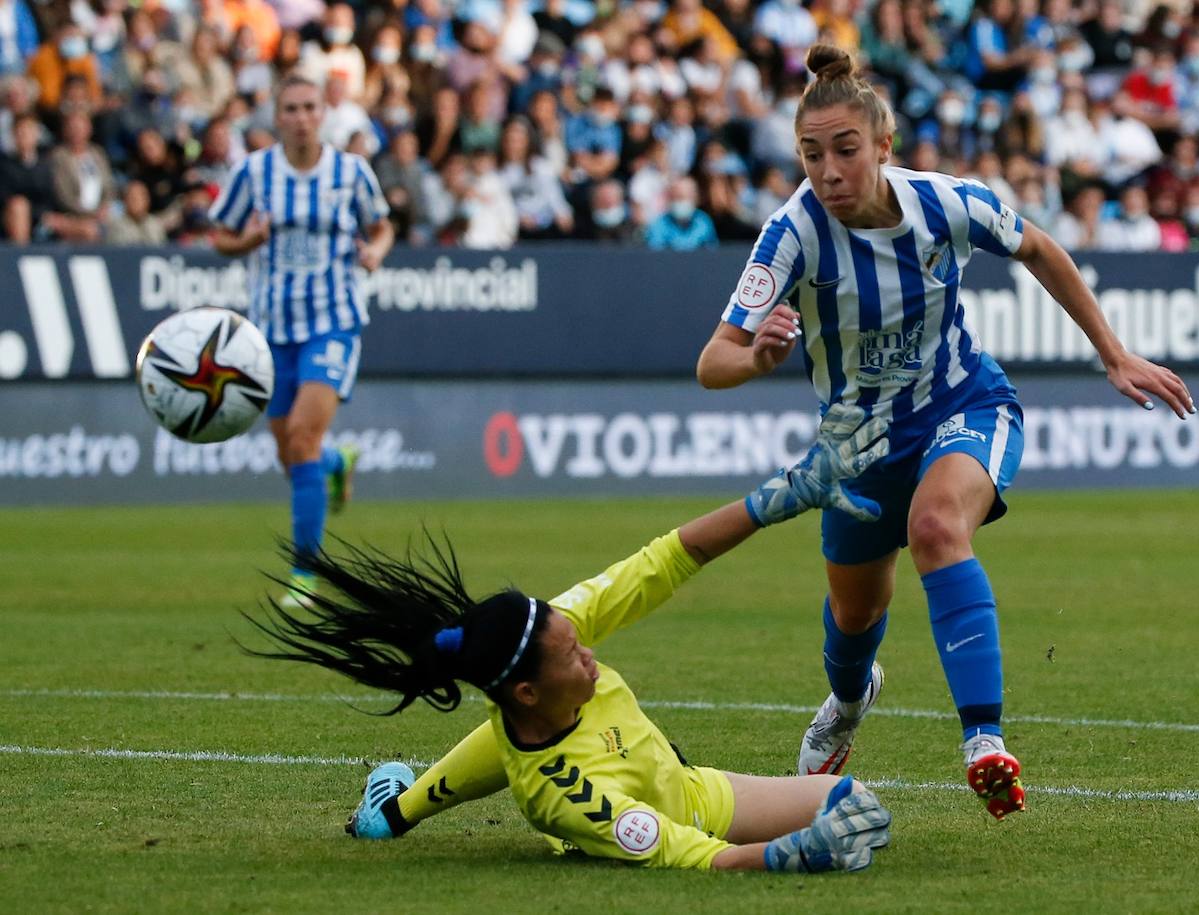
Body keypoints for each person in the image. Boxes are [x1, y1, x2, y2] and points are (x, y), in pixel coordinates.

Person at [695, 45, 1195, 821]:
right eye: (811, 153)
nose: (828, 170)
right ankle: (850, 699)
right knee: (853, 623)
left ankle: (983, 739)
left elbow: (1038, 247)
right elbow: (712, 360)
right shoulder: (789, 234)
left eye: (846, 150)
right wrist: (757, 356)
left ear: (884, 147)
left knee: (936, 527)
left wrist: (1114, 352)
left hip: (964, 401)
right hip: (857, 447)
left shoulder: (946, 203)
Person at [244, 407, 894, 873]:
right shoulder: (569, 792)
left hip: (692, 784)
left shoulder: (547, 639)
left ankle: (392, 812)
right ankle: (395, 811)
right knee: (848, 827)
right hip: (691, 817)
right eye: (574, 655)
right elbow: (692, 852)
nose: (588, 652)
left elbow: (665, 560)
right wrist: (784, 857)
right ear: (528, 687)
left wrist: (778, 498)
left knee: (860, 808)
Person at [208, 74, 394, 607]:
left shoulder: (351, 172)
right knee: (291, 452)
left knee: (302, 438)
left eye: (310, 107)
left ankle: (306, 576)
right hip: (270, 330)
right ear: (276, 115)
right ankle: (339, 464)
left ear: (323, 114)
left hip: (333, 320)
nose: (301, 117)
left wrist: (377, 250)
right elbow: (220, 235)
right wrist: (248, 239)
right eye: (290, 108)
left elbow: (382, 225)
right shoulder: (253, 172)